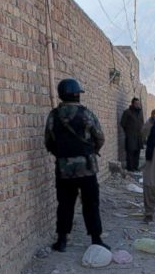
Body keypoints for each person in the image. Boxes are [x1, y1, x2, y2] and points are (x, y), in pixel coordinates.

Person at [44, 78, 109, 252]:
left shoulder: (54, 115)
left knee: (65, 204)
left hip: (64, 169)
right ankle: (96, 239)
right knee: (91, 204)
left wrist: (61, 154)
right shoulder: (86, 114)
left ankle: (62, 240)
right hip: (87, 167)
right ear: (76, 94)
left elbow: (48, 141)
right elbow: (100, 137)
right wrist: (91, 149)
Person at [120, 98, 144, 172]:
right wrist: (128, 132)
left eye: (138, 103)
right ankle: (130, 168)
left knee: (137, 152)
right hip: (130, 135)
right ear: (132, 104)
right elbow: (122, 123)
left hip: (139, 136)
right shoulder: (127, 112)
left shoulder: (140, 112)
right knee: (130, 152)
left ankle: (135, 167)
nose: (138, 105)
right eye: (136, 103)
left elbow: (142, 122)